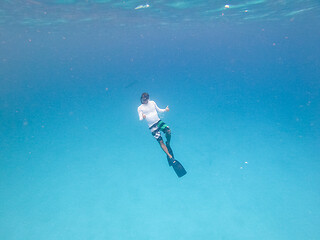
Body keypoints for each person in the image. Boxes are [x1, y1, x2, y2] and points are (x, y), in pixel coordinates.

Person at [137, 92, 175, 163]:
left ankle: (168, 143)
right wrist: (143, 117)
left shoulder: (152, 103)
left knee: (168, 130)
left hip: (158, 122)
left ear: (148, 99)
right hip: (152, 126)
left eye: (145, 100)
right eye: (143, 100)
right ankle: (170, 157)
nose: (144, 101)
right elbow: (140, 119)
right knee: (160, 141)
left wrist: (165, 109)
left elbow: (159, 110)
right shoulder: (140, 108)